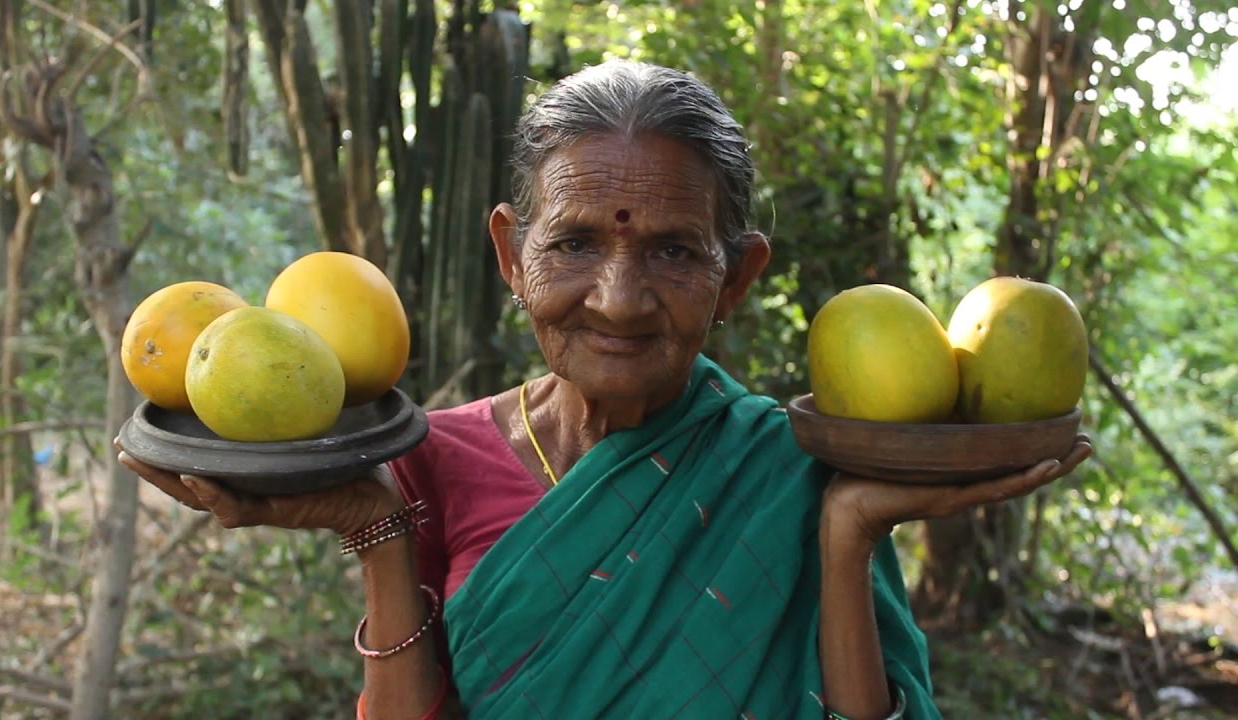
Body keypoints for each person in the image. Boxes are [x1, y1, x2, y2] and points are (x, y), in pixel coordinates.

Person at [119, 60, 1092, 720]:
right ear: (509, 251)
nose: (618, 302)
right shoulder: (430, 456)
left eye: (673, 251)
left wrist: (845, 536)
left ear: (736, 278)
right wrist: (375, 525)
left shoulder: (790, 470)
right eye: (574, 242)